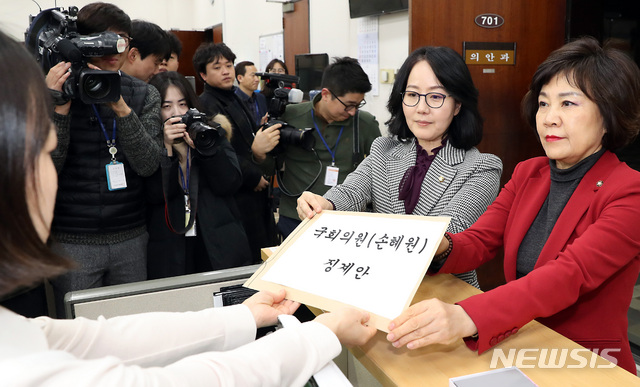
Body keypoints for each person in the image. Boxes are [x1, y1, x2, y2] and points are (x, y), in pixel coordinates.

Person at [0, 29, 378, 385]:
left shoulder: (19, 333)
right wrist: (324, 333)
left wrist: (245, 315)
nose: (53, 173)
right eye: (44, 153)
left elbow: (104, 338)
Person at [385, 37, 640, 374]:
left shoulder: (630, 192)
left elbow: (568, 275)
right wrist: (438, 244)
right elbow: (480, 241)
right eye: (544, 103)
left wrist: (468, 315)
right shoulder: (528, 173)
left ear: (609, 115)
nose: (549, 118)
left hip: (585, 360)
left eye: (568, 104)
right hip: (518, 342)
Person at [297, 46, 503, 288]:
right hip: (377, 285)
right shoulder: (383, 149)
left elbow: (448, 235)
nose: (421, 108)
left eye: (436, 97)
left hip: (441, 297)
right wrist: (324, 204)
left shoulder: (482, 167)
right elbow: (351, 192)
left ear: (457, 105)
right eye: (412, 95)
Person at [45, 3, 162, 316]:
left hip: (131, 235)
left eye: (121, 39)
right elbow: (47, 170)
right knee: (78, 334)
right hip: (73, 239)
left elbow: (148, 164)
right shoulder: (57, 90)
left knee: (132, 327)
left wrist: (121, 107)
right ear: (80, 42)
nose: (112, 49)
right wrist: (59, 107)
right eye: (101, 40)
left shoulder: (144, 94)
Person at [261, 57, 381, 239]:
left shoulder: (364, 124)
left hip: (343, 219)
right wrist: (258, 151)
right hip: (296, 217)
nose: (353, 112)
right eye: (348, 105)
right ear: (326, 94)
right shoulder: (291, 116)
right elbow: (270, 168)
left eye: (358, 105)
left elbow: (380, 172)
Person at [146, 71, 252, 278]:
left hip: (217, 238)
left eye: (182, 104)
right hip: (172, 243)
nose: (176, 112)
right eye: (166, 106)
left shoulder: (210, 133)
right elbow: (155, 195)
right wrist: (168, 150)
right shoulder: (150, 142)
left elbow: (230, 183)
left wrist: (205, 150)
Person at [193, 42, 281, 263]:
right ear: (203, 74)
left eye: (229, 65)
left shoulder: (234, 96)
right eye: (217, 67)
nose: (225, 71)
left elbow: (248, 140)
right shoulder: (206, 104)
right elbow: (224, 152)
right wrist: (254, 176)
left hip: (254, 185)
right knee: (249, 254)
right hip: (238, 190)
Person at [235, 60, 268, 127]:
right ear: (240, 78)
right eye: (253, 75)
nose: (257, 79)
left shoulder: (260, 98)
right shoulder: (233, 100)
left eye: (257, 76)